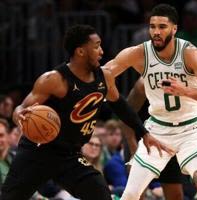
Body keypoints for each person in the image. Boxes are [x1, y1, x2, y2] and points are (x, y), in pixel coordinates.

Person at [0, 24, 172, 200]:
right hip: (36, 152)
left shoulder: (104, 77)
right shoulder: (54, 80)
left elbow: (120, 105)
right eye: (96, 46)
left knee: (101, 194)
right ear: (80, 52)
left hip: (69, 154)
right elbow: (22, 107)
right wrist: (19, 114)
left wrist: (143, 133)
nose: (102, 51)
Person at [105, 4, 197, 199]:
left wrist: (186, 90)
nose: (156, 32)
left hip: (192, 130)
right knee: (130, 194)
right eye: (152, 26)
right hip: (157, 132)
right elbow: (103, 74)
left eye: (162, 27)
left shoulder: (190, 54)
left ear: (174, 29)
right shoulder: (139, 53)